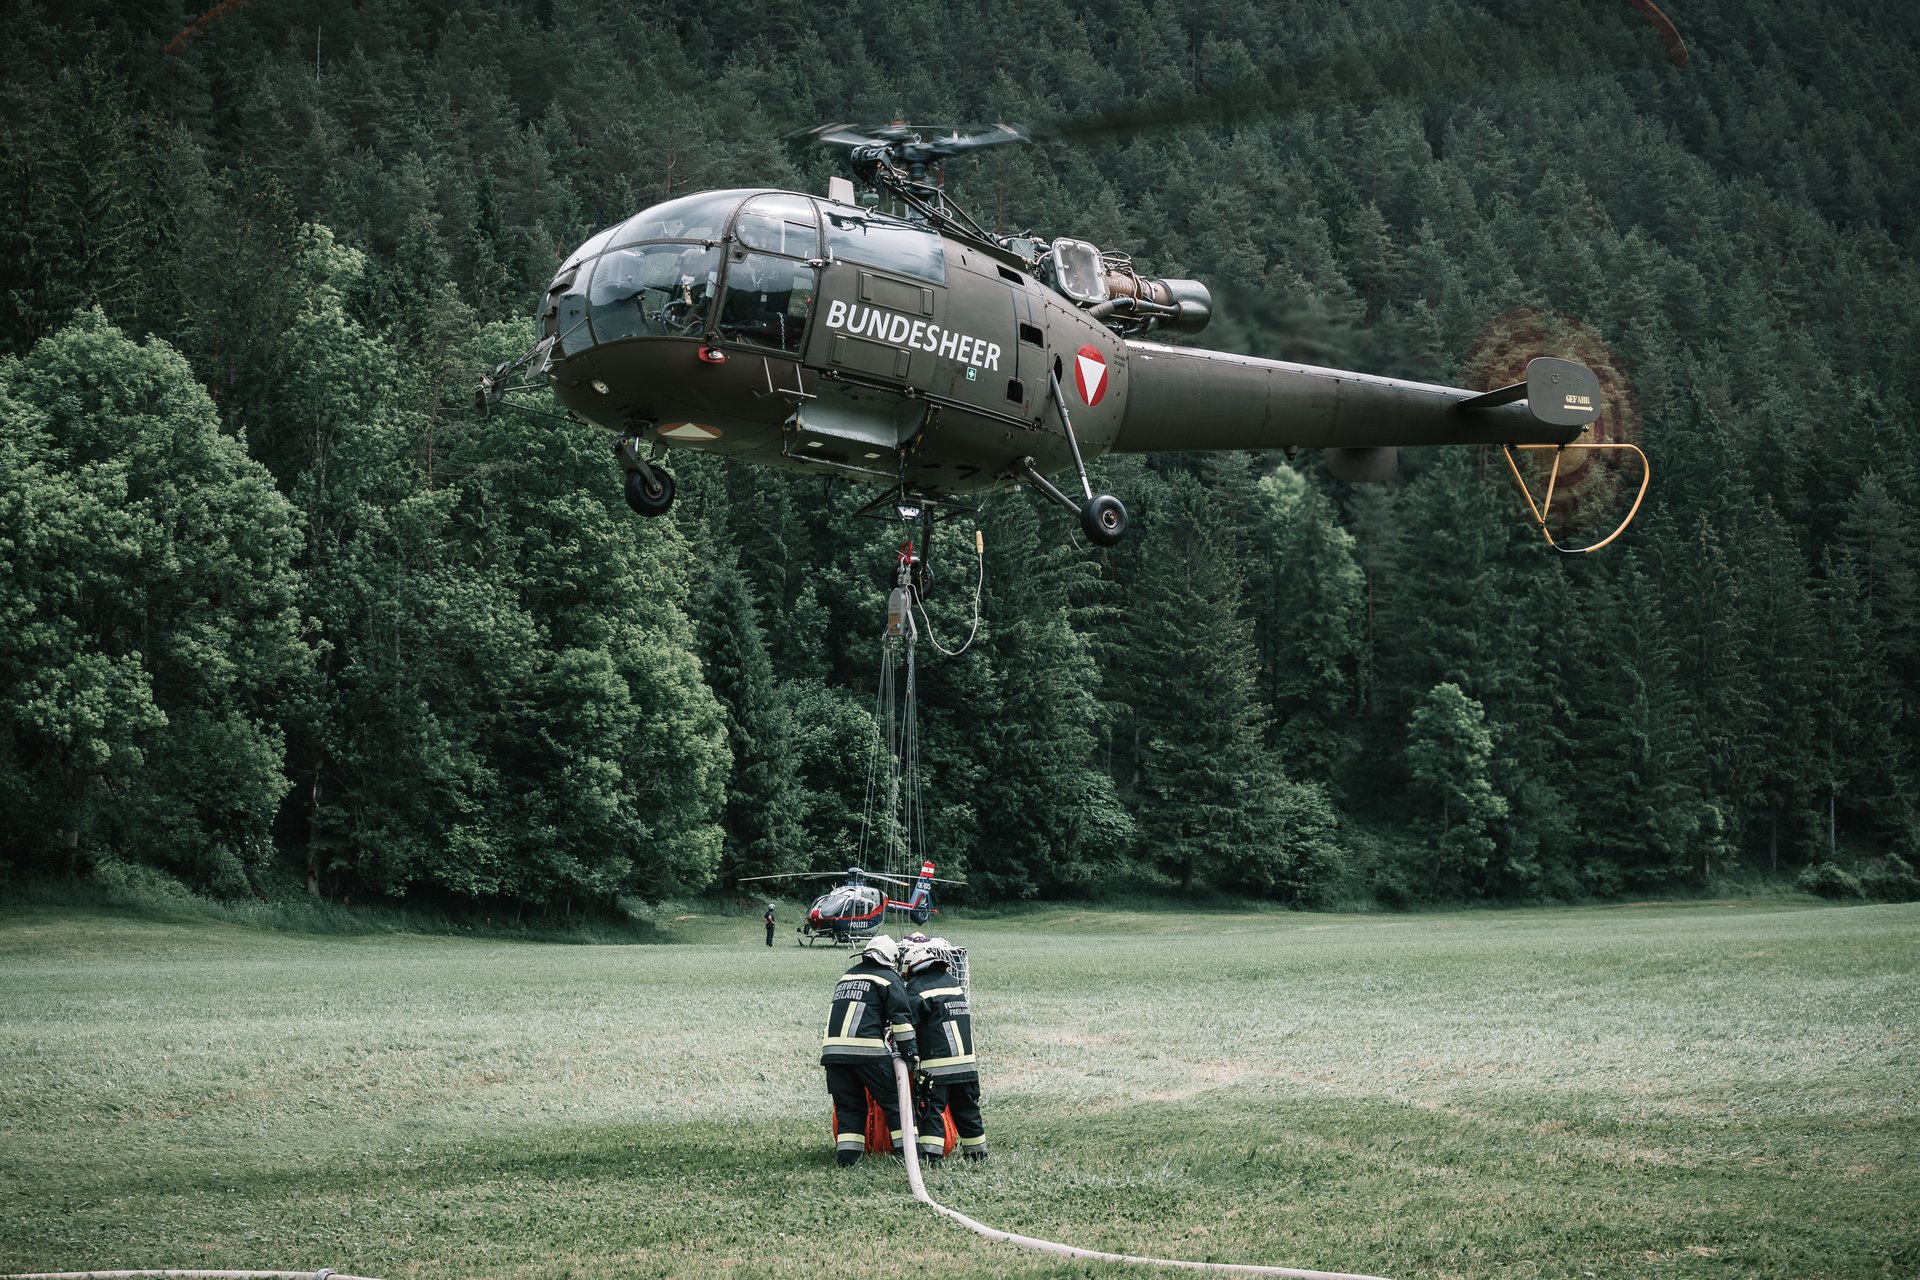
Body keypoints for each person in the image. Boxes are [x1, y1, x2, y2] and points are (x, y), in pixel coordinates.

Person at [820, 934, 918, 1166]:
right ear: (891, 959)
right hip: (868, 1053)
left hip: (833, 1054)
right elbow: (901, 1021)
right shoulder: (888, 978)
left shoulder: (847, 976)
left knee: (848, 1107)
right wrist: (909, 1052)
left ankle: (847, 1159)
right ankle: (909, 1155)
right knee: (896, 1102)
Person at [899, 937, 986, 1164]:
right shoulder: (951, 982)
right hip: (967, 1064)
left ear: (911, 967)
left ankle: (931, 1157)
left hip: (936, 1068)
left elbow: (907, 1022)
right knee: (967, 1111)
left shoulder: (917, 988)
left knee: (931, 1111)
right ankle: (977, 1155)